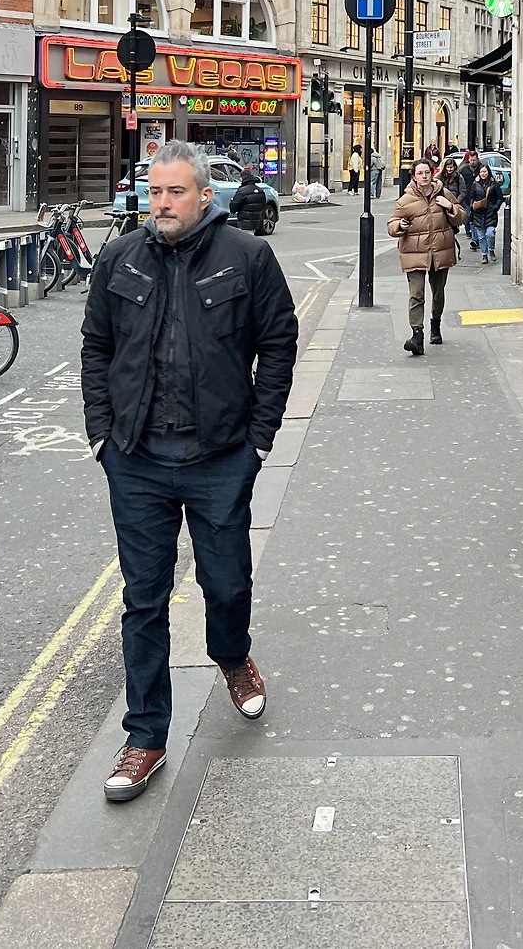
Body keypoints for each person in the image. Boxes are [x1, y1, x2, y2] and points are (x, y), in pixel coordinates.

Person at [81, 141, 298, 803]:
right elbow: (96, 346)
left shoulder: (248, 256)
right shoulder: (120, 257)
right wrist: (101, 436)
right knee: (143, 600)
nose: (162, 204)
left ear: (205, 196)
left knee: (226, 584)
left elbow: (278, 342)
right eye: (154, 192)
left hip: (220, 457)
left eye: (175, 192)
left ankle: (232, 656)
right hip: (137, 458)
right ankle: (146, 736)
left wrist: (258, 440)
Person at [388, 158, 466, 357]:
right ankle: (417, 336)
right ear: (414, 177)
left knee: (438, 294)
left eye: (427, 172)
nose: (424, 176)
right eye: (420, 173)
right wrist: (399, 226)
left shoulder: (443, 193)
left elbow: (462, 216)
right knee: (416, 295)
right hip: (414, 254)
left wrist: (450, 207)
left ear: (432, 174)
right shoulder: (406, 200)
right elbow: (392, 224)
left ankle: (436, 325)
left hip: (440, 252)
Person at [469, 162, 504, 264]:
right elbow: (471, 197)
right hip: (478, 213)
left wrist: (495, 207)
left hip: (490, 213)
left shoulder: (494, 184)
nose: (483, 174)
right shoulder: (475, 184)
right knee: (481, 237)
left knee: (490, 233)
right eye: (481, 172)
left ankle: (491, 250)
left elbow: (500, 198)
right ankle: (484, 255)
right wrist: (473, 205)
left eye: (484, 172)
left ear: (488, 172)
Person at [229, 167, 268, 235]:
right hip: (256, 221)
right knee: (252, 236)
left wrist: (233, 210)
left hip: (244, 222)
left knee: (245, 238)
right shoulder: (260, 190)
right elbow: (263, 204)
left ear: (242, 179)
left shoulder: (242, 191)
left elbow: (234, 205)